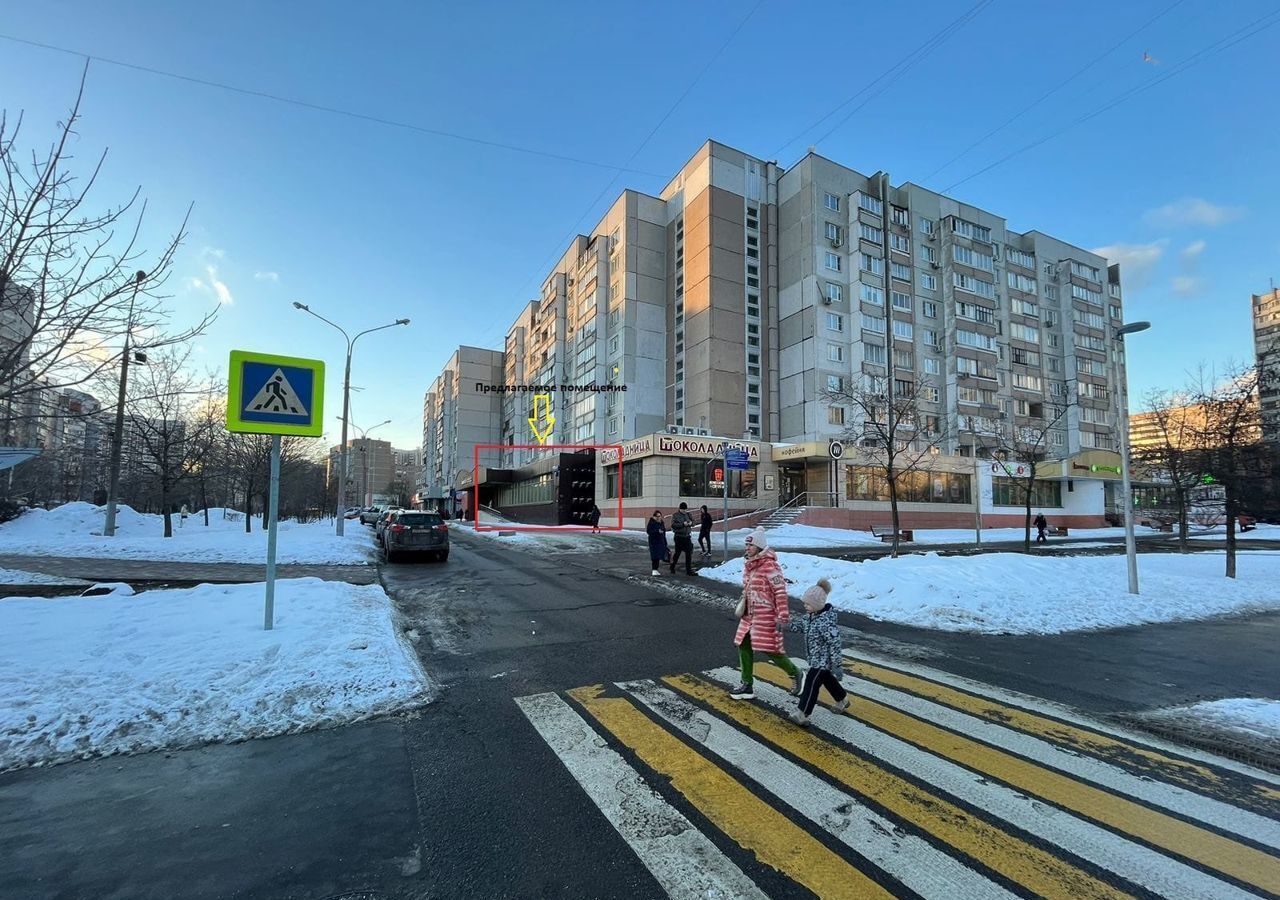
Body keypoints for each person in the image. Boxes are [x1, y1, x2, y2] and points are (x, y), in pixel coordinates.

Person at [729, 528, 801, 699]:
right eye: (746, 545)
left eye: (750, 545)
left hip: (765, 615)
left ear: (759, 547)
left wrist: (783, 615)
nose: (746, 548)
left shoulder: (770, 566)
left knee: (769, 649)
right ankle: (747, 684)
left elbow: (780, 591)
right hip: (749, 614)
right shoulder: (750, 565)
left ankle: (795, 672)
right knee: (744, 644)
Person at [787, 578, 849, 726]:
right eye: (805, 603)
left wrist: (837, 665)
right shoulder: (810, 617)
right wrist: (785, 626)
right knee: (827, 680)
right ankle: (842, 700)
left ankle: (803, 713)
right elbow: (801, 626)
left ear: (818, 604)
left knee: (811, 683)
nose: (805, 606)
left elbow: (835, 644)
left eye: (808, 604)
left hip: (823, 661)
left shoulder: (826, 622)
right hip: (815, 659)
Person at [669, 502, 696, 575]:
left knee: (688, 553)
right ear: (679, 509)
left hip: (687, 536)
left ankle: (688, 570)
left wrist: (691, 523)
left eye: (685, 509)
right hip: (679, 537)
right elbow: (673, 525)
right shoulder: (675, 515)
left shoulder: (688, 514)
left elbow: (694, 522)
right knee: (677, 553)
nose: (684, 511)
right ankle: (672, 566)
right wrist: (682, 524)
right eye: (682, 509)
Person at [646, 510, 667, 576]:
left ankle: (656, 570)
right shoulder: (652, 523)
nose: (659, 518)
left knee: (659, 555)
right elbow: (649, 531)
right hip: (654, 541)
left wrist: (665, 541)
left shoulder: (661, 523)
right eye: (657, 516)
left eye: (660, 516)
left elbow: (664, 532)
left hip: (661, 541)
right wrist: (657, 531)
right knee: (655, 556)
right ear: (654, 517)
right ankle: (654, 570)